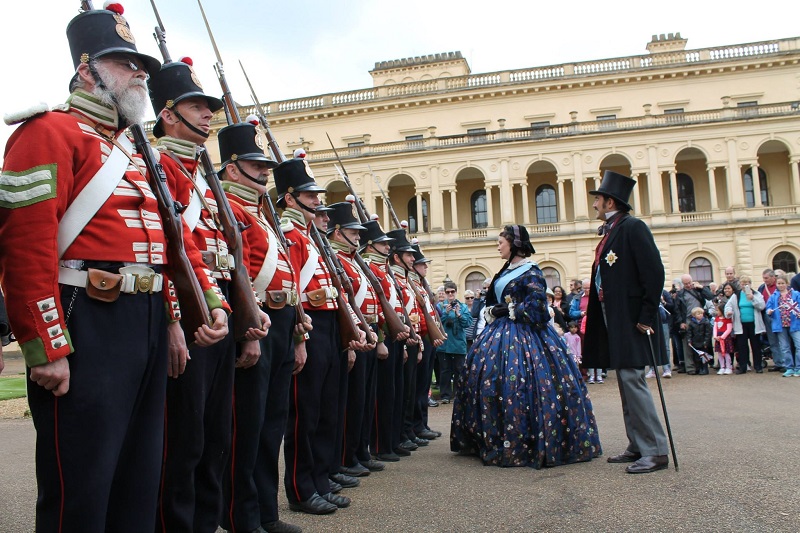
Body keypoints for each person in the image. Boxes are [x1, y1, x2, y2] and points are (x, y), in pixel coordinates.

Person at [0, 6, 231, 531]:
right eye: (126, 61)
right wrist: (46, 345)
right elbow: (26, 248)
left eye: (141, 63)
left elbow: (173, 245)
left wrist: (201, 306)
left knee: (138, 479)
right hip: (87, 319)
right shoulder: (48, 132)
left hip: (145, 321)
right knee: (82, 486)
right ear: (87, 69)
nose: (141, 73)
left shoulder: (135, 150)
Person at [149, 56, 271, 533]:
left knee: (216, 434)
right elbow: (174, 247)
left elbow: (226, 253)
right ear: (167, 113)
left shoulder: (200, 177)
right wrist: (184, 313)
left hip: (215, 303)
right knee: (186, 437)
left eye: (208, 108)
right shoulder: (159, 164)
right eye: (196, 107)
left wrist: (238, 311)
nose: (207, 115)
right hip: (195, 306)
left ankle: (204, 521)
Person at [212, 121, 308, 533]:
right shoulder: (229, 209)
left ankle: (266, 511)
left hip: (281, 321)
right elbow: (237, 275)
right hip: (255, 321)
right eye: (257, 164)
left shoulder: (261, 215)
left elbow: (288, 272)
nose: (266, 172)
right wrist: (244, 331)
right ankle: (240, 516)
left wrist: (298, 333)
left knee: (271, 424)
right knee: (246, 428)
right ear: (233, 169)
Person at [450, 225, 601, 468]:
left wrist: (509, 309)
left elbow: (539, 309)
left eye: (501, 241)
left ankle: (526, 441)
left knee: (523, 384)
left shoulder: (531, 272)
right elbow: (491, 303)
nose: (498, 245)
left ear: (513, 244)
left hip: (527, 336)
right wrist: (493, 310)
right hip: (498, 333)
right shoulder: (503, 271)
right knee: (489, 379)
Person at [276, 158, 365, 515]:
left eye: (317, 197)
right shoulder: (290, 234)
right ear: (290, 198)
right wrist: (299, 335)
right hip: (309, 323)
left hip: (329, 325)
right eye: (310, 196)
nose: (317, 203)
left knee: (327, 409)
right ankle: (301, 488)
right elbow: (292, 285)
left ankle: (320, 480)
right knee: (305, 413)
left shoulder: (312, 239)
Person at [583, 170, 670, 475]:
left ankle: (656, 450)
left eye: (598, 199)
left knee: (633, 380)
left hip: (633, 320)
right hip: (616, 317)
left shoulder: (633, 227)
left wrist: (646, 317)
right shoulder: (612, 229)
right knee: (625, 381)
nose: (594, 205)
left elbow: (654, 272)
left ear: (610, 201)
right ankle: (637, 444)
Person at [436, 281, 473, 404]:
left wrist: (459, 315)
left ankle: (458, 394)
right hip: (444, 344)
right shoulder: (440, 307)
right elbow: (436, 323)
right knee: (445, 371)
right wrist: (446, 313)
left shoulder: (462, 307)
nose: (450, 294)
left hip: (458, 344)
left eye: (452, 291)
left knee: (459, 370)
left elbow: (467, 323)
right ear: (445, 293)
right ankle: (445, 395)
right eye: (448, 292)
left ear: (456, 292)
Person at [724, 275, 766, 374]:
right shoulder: (736, 295)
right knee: (742, 346)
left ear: (750, 284)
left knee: (756, 346)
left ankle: (758, 366)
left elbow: (762, 306)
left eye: (746, 284)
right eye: (742, 284)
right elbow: (728, 306)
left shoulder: (756, 294)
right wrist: (729, 312)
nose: (744, 286)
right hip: (741, 324)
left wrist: (752, 299)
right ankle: (743, 366)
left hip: (754, 324)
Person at [675, 274, 713, 375]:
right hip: (687, 319)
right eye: (685, 284)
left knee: (702, 343)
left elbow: (710, 296)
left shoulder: (698, 290)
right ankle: (690, 368)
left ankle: (702, 366)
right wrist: (681, 322)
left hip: (701, 317)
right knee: (688, 343)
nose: (688, 285)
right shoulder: (680, 294)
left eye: (689, 283)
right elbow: (677, 309)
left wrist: (702, 288)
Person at [764, 274, 800, 377]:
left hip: (795, 324)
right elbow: (768, 308)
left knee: (798, 346)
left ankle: (798, 367)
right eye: (779, 283)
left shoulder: (795, 294)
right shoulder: (774, 296)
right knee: (784, 347)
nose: (781, 285)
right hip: (780, 325)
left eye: (782, 283)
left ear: (787, 284)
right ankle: (789, 367)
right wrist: (769, 311)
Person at [758, 269, 785, 371]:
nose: (765, 280)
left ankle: (785, 363)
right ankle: (778, 363)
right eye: (764, 278)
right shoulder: (762, 287)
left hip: (780, 315)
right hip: (767, 315)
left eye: (767, 278)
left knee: (782, 340)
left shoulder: (780, 286)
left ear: (773, 277)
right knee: (772, 340)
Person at [687, 307, 713, 375]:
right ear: (694, 315)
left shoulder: (706, 322)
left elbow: (708, 333)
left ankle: (705, 369)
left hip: (703, 342)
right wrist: (689, 340)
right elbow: (689, 333)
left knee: (704, 356)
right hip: (695, 342)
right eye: (698, 314)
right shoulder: (691, 323)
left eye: (701, 313)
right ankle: (698, 369)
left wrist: (706, 342)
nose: (700, 315)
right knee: (696, 357)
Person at [713, 296, 735, 375]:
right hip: (718, 338)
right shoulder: (717, 318)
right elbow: (715, 328)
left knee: (726, 353)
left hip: (725, 338)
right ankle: (722, 367)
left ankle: (729, 367)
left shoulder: (727, 319)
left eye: (717, 310)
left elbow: (729, 329)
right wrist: (715, 336)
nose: (716, 312)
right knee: (719, 353)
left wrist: (722, 337)